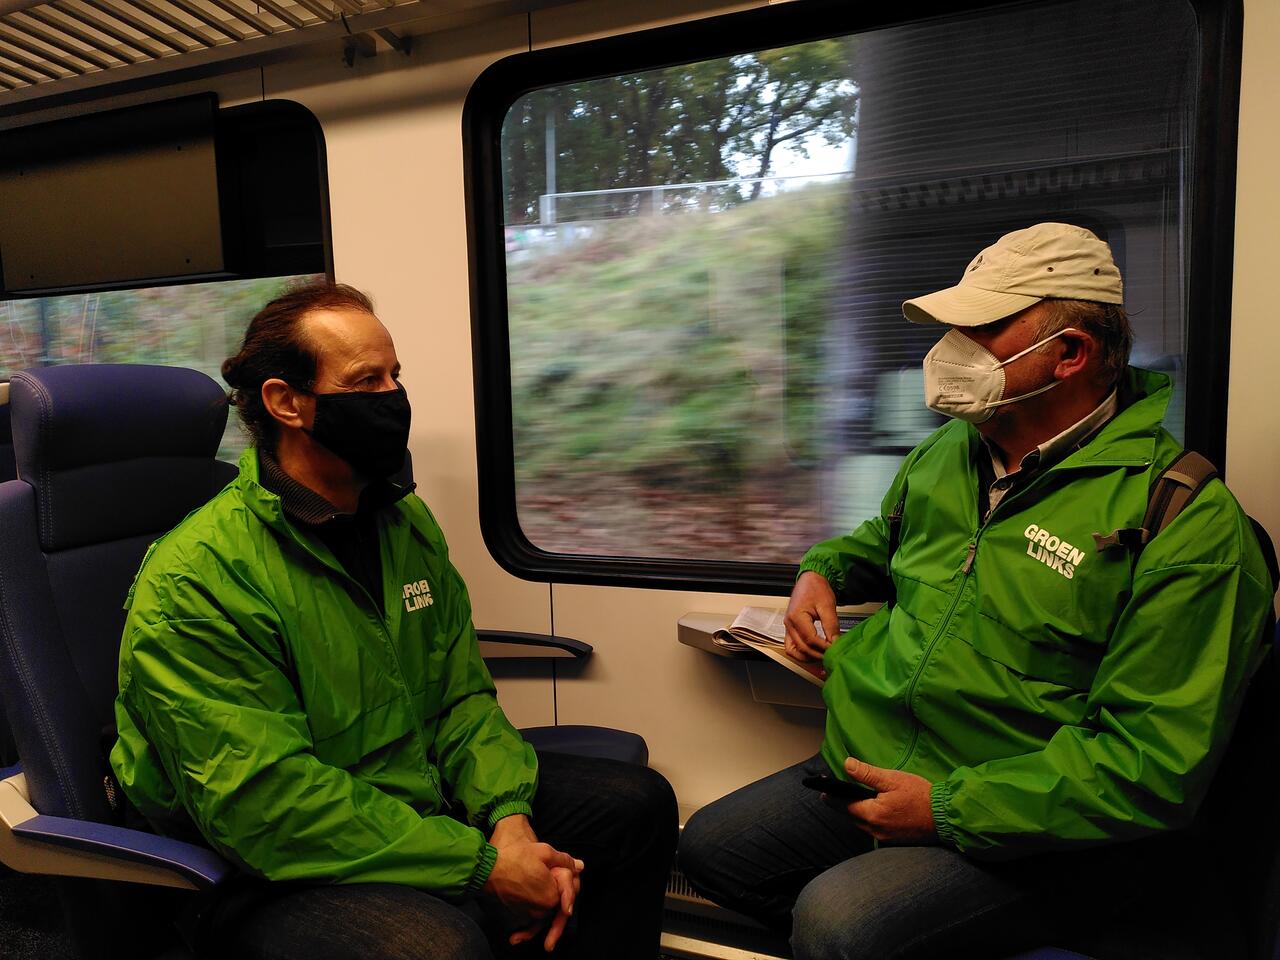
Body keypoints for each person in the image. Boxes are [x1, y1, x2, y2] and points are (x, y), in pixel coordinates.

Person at [678, 223, 1274, 959]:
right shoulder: (951, 452)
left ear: (1071, 355)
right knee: (712, 850)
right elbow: (877, 541)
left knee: (841, 921)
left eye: (981, 329)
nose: (948, 350)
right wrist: (818, 573)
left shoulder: (1183, 521)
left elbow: (1151, 763)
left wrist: (947, 811)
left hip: (1035, 826)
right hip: (874, 760)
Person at [109, 281, 677, 960]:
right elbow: (266, 806)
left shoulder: (399, 521)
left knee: (635, 806)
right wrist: (481, 865)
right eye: (366, 381)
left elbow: (461, 698)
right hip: (260, 866)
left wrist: (510, 821)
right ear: (287, 403)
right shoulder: (196, 578)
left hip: (406, 795)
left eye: (394, 377)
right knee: (435, 947)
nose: (392, 399)